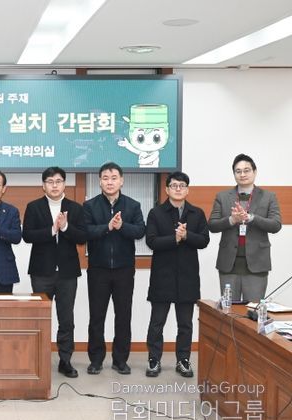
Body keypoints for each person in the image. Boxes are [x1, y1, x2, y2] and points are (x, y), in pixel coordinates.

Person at [22, 167, 87, 378]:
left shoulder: (75, 208)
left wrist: (66, 227)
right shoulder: (34, 207)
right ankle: (38, 360)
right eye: (50, 181)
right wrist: (51, 230)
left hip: (68, 273)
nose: (54, 185)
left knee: (66, 318)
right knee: (40, 318)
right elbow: (27, 235)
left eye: (58, 181)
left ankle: (65, 360)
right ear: (43, 185)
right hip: (41, 272)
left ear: (64, 184)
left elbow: (82, 237)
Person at [145, 172, 209, 378]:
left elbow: (204, 241)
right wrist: (175, 238)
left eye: (182, 185)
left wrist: (187, 235)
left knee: (185, 324)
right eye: (174, 185)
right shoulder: (156, 213)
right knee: (157, 323)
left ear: (187, 190)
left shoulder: (197, 213)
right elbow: (151, 241)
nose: (178, 189)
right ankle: (154, 359)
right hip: (162, 276)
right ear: (167, 189)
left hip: (187, 277)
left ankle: (183, 360)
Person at [83, 162, 145, 375]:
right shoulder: (90, 206)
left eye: (114, 178)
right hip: (98, 269)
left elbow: (140, 231)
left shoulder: (133, 205)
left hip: (124, 270)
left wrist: (122, 226)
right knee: (96, 316)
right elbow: (86, 232)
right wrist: (108, 227)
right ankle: (96, 360)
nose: (110, 182)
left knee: (123, 316)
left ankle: (120, 360)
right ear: (100, 181)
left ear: (121, 181)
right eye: (106, 178)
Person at [208, 154, 281, 302]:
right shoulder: (222, 196)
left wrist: (251, 218)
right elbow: (212, 225)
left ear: (255, 172)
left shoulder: (268, 196)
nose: (242, 174)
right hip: (229, 265)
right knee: (228, 310)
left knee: (252, 311)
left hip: (257, 264)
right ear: (234, 174)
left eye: (246, 170)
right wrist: (231, 220)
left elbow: (275, 225)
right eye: (238, 171)